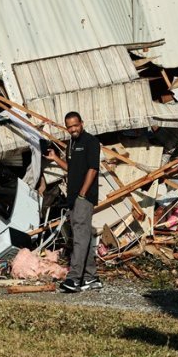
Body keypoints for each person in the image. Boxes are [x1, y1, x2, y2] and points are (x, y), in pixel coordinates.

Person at [45, 111, 103, 292]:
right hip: (74, 198)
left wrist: (83, 193)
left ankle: (74, 279)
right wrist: (55, 158)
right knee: (83, 235)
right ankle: (91, 278)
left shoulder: (91, 142)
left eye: (75, 125)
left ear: (82, 123)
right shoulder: (72, 144)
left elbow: (93, 168)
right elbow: (71, 169)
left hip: (83, 198)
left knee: (79, 237)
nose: (73, 129)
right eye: (69, 126)